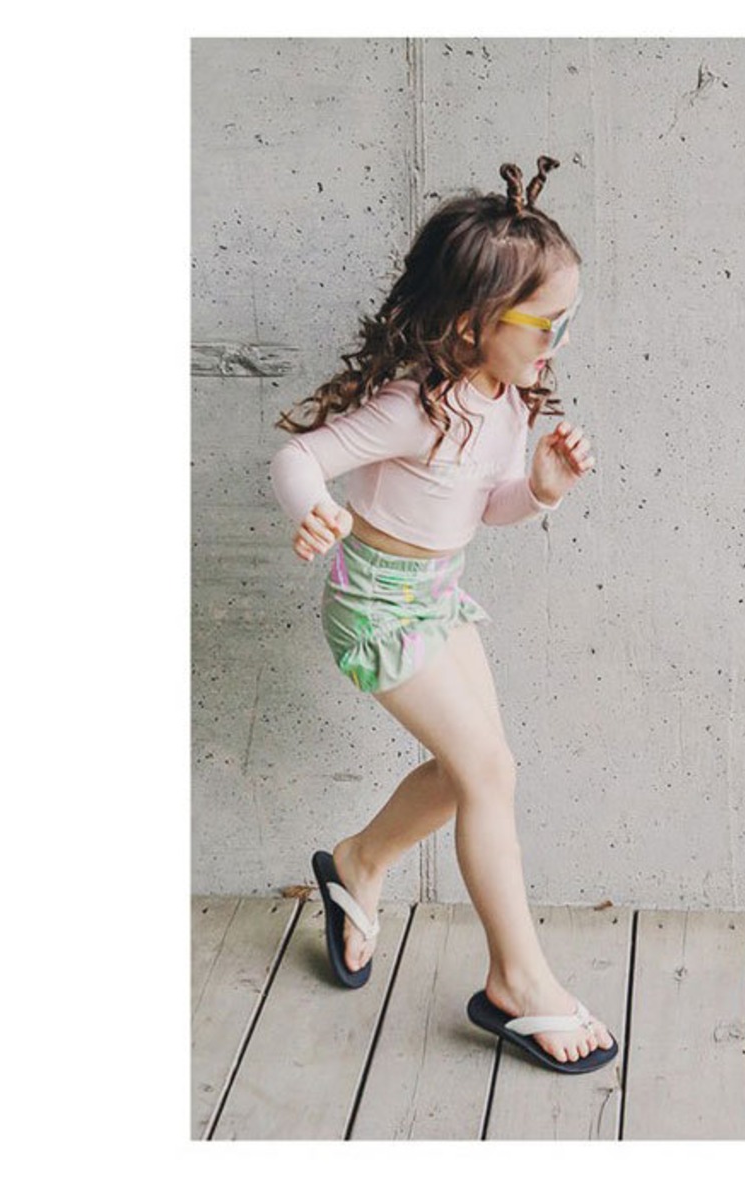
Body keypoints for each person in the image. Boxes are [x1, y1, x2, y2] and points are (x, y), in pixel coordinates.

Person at [268, 157, 617, 1075]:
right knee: (487, 772)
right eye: (547, 323)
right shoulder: (414, 407)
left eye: (570, 319)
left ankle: (359, 861)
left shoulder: (507, 398)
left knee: (478, 773)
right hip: (377, 607)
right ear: (471, 322)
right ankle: (517, 980)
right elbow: (301, 457)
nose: (560, 342)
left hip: (437, 596)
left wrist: (539, 488)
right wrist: (314, 509)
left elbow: (483, 504)